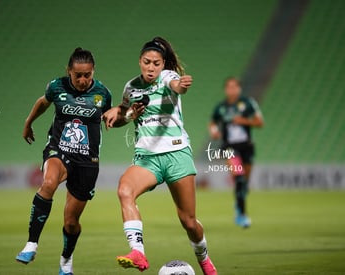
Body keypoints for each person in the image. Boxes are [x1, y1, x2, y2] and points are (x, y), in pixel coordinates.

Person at [103, 37, 217, 275]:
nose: (151, 67)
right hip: (147, 159)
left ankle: (204, 259)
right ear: (140, 62)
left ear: (163, 64)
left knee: (189, 221)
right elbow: (125, 115)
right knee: (125, 190)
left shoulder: (168, 78)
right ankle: (138, 253)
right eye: (147, 62)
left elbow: (178, 87)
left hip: (176, 153)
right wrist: (122, 114)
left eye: (156, 63)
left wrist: (182, 85)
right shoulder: (130, 87)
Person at [15, 48, 112, 275]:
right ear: (69, 71)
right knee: (48, 184)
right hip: (59, 149)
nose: (82, 80)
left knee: (70, 222)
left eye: (87, 75)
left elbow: (112, 118)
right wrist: (28, 123)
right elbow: (43, 102)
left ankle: (66, 261)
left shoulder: (103, 94)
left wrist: (122, 117)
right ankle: (31, 244)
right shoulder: (56, 87)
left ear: (93, 72)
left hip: (87, 161)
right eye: (77, 74)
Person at [209, 77, 264, 228]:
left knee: (244, 183)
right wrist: (214, 131)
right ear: (225, 89)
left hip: (247, 146)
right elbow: (213, 122)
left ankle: (239, 200)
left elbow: (260, 122)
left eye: (234, 87)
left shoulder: (247, 103)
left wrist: (244, 121)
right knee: (239, 177)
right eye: (229, 87)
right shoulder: (221, 107)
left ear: (239, 88)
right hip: (229, 147)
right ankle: (242, 214)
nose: (232, 90)